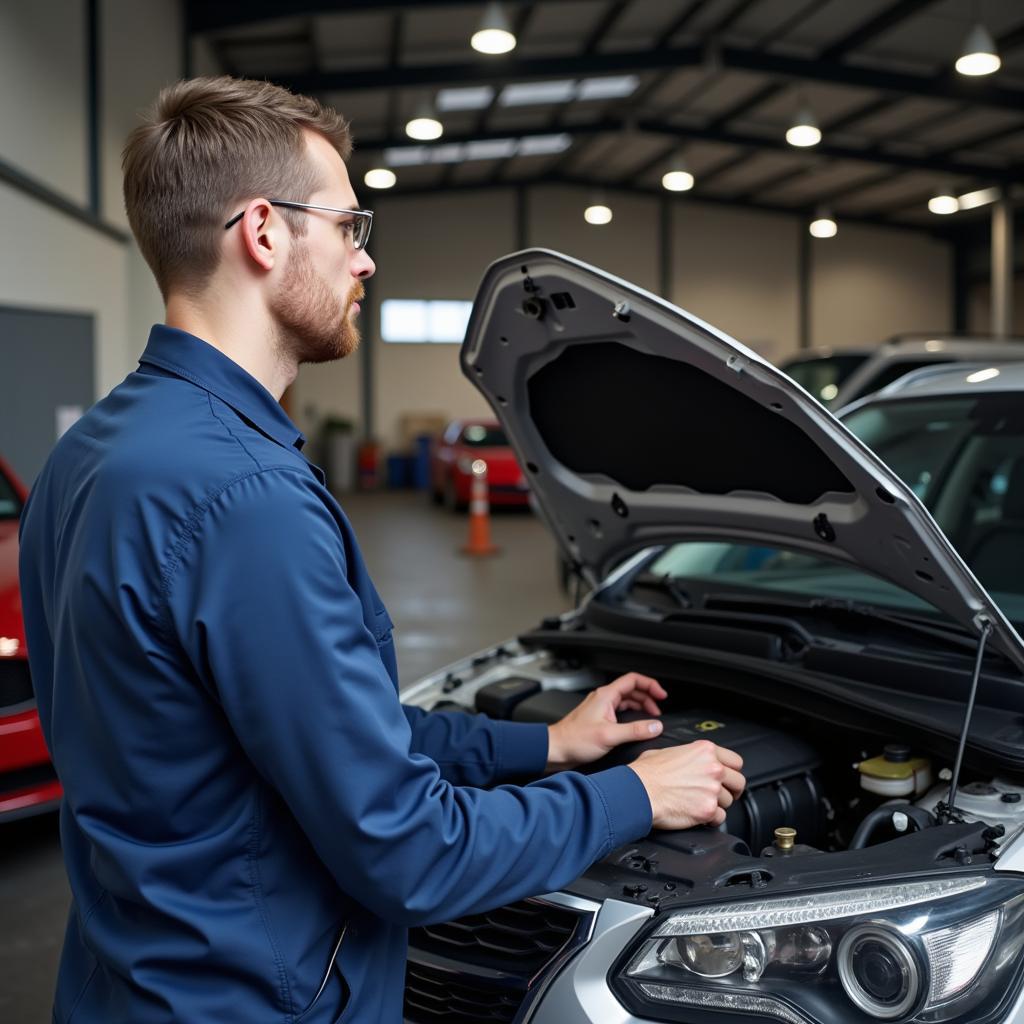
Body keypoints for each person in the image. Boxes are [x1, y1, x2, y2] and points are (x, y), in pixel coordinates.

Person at [18, 76, 745, 1024]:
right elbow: (410, 850)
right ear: (266, 233)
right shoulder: (247, 501)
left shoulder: (90, 454)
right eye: (350, 226)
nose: (365, 262)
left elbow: (299, 739)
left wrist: (552, 743)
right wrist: (630, 798)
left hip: (125, 984)